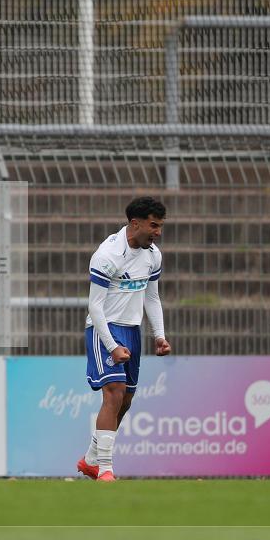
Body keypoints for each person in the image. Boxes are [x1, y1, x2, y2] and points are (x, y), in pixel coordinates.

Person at [78, 196, 171, 482]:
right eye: (154, 226)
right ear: (135, 224)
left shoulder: (153, 254)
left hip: (132, 331)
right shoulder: (108, 255)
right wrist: (112, 345)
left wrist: (160, 336)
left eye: (160, 226)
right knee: (114, 391)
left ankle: (91, 460)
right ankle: (105, 469)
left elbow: (152, 297)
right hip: (103, 328)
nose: (158, 232)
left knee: (126, 401)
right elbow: (95, 306)